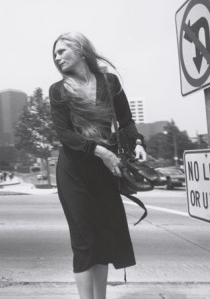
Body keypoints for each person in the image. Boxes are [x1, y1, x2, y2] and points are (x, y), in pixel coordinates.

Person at [49, 31, 145, 299]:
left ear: (80, 51)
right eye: (54, 54)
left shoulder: (109, 83)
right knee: (84, 242)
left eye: (62, 51)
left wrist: (138, 143)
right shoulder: (58, 91)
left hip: (105, 171)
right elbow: (65, 135)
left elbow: (126, 121)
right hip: (74, 171)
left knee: (103, 240)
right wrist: (101, 151)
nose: (57, 58)